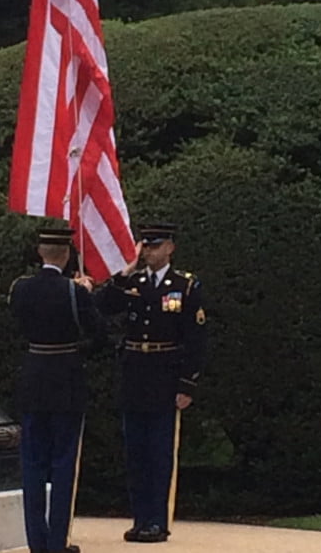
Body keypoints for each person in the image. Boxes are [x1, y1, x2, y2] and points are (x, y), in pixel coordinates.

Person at [96, 223, 207, 543]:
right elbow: (103, 305)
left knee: (159, 453)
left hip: (164, 375)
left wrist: (187, 385)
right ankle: (139, 517)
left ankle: (157, 520)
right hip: (135, 375)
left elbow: (196, 339)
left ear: (170, 248)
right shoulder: (134, 281)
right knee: (135, 453)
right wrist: (124, 271)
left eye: (155, 246)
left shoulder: (184, 285)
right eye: (145, 246)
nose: (148, 252)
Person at [9, 227, 106, 553]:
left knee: (33, 464)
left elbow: (17, 328)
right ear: (66, 255)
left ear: (40, 252)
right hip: (66, 380)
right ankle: (57, 542)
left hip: (34, 378)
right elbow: (101, 338)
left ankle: (37, 541)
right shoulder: (73, 292)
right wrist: (85, 297)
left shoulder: (20, 289)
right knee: (64, 464)